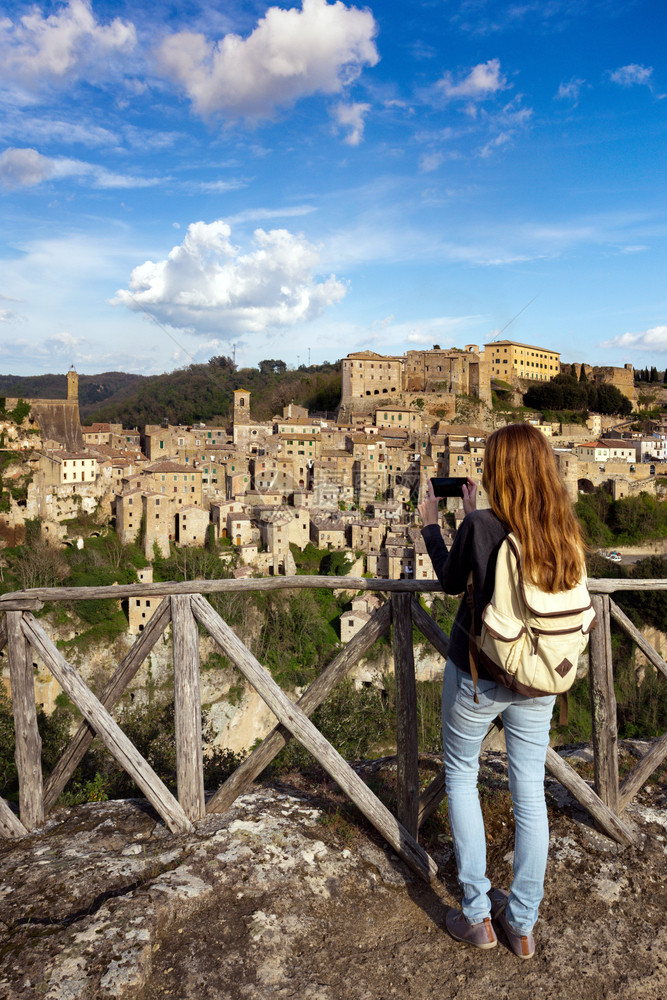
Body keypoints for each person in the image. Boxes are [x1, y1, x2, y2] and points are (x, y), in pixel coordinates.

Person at [418, 422, 586, 959]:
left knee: (463, 776)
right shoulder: (562, 529)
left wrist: (432, 526)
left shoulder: (482, 524)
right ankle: (522, 924)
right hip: (538, 681)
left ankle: (476, 916)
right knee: (529, 795)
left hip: (478, 674)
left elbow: (449, 580)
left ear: (497, 471)